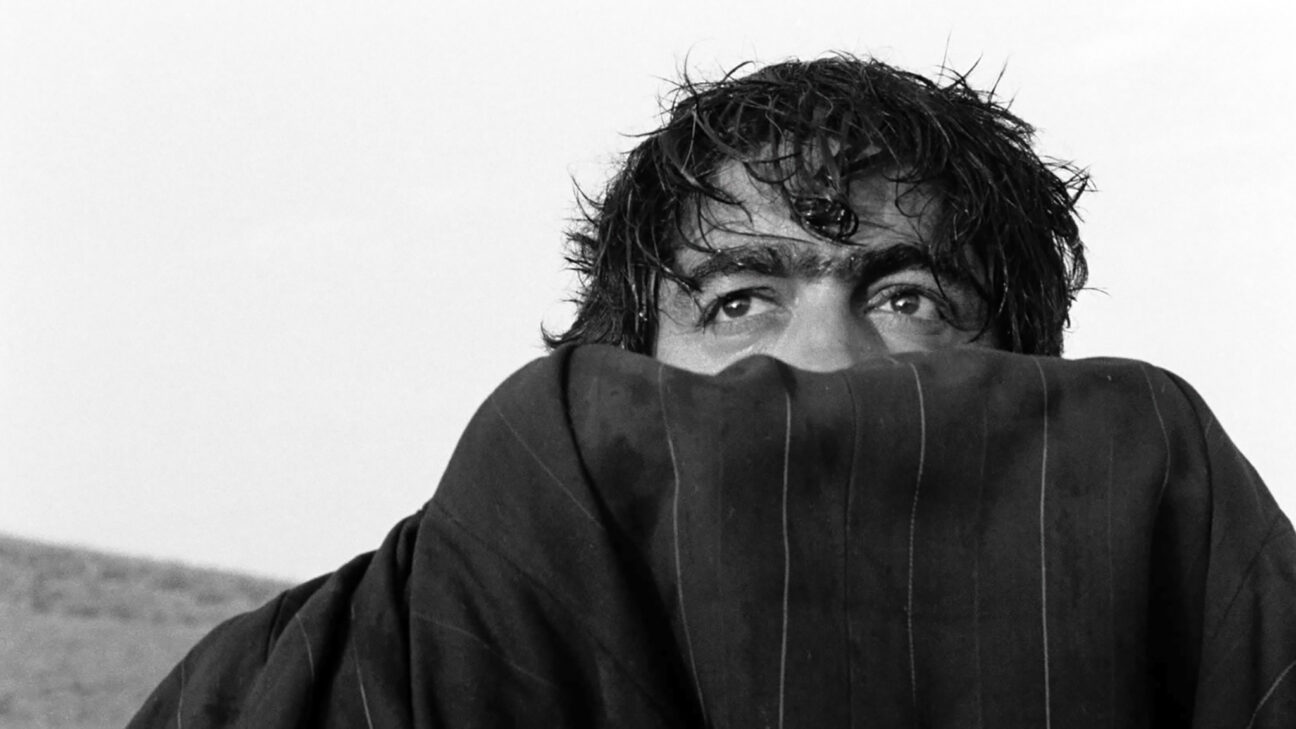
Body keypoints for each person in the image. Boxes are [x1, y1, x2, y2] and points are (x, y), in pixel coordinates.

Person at [128, 55, 1295, 729]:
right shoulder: (321, 677)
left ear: (1030, 375)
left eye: (910, 299)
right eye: (740, 301)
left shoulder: (1201, 606)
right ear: (629, 358)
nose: (820, 362)